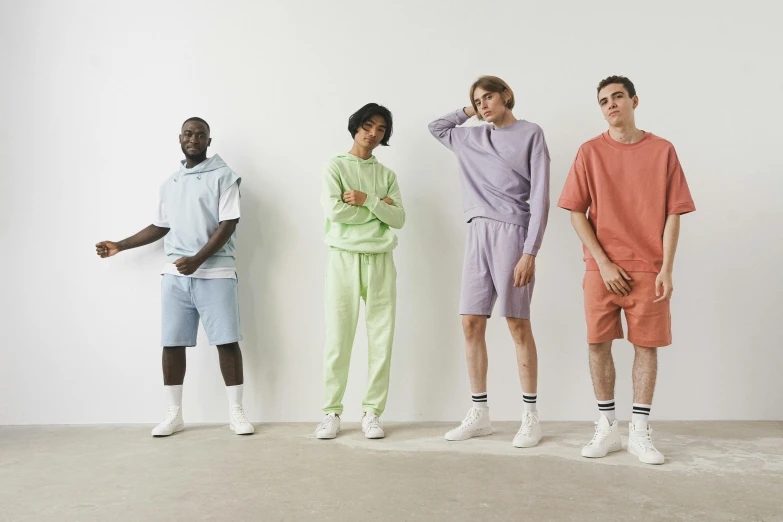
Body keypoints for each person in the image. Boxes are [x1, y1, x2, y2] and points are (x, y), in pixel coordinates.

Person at [558, 75, 696, 464]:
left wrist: (667, 268)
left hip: (649, 267)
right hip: (601, 269)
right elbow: (574, 211)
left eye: (618, 97)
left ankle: (639, 431)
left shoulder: (662, 150)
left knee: (646, 347)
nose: (611, 105)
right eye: (604, 101)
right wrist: (602, 263)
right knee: (597, 344)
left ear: (634, 100)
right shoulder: (589, 152)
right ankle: (607, 428)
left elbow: (674, 213)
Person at [95, 117, 254, 437]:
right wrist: (120, 245)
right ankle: (173, 414)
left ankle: (236, 413)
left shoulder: (225, 176)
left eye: (200, 134)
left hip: (216, 272)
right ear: (180, 139)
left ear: (209, 141)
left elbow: (228, 224)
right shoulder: (171, 183)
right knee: (172, 343)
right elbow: (160, 226)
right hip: (176, 275)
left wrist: (198, 259)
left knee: (226, 341)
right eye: (188, 134)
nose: (193, 138)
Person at [428, 76, 550, 448]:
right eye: (477, 101)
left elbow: (542, 196)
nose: (482, 105)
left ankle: (530, 416)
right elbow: (436, 127)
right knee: (469, 322)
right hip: (476, 231)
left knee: (516, 323)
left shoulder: (531, 133)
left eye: (488, 97)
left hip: (513, 231)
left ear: (506, 95)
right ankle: (479, 413)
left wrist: (530, 251)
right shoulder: (469, 137)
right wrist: (470, 111)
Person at [315, 103, 406, 440]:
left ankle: (372, 412)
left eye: (381, 129)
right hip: (343, 257)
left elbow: (400, 220)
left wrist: (368, 200)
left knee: (381, 337)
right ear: (355, 126)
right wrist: (382, 209)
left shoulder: (386, 176)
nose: (373, 133)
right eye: (368, 125)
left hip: (381, 260)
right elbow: (337, 212)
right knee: (338, 338)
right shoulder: (335, 166)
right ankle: (331, 412)